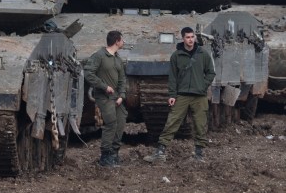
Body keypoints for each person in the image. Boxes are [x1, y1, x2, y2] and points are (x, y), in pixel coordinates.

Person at [144, 27, 216, 163]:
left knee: (200, 124)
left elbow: (211, 72)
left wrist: (202, 85)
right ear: (183, 38)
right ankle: (160, 152)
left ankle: (199, 154)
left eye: (192, 36)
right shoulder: (176, 56)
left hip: (199, 96)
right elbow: (173, 77)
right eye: (188, 37)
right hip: (182, 95)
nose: (190, 39)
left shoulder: (203, 54)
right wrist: (172, 95)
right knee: (172, 122)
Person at [84, 30, 127, 167]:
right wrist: (103, 86)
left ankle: (114, 153)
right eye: (122, 40)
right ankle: (105, 155)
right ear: (117, 41)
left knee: (121, 120)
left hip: (116, 97)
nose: (123, 42)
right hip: (104, 96)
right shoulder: (99, 56)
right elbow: (88, 72)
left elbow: (122, 80)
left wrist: (122, 95)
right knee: (111, 123)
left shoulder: (118, 59)